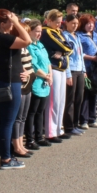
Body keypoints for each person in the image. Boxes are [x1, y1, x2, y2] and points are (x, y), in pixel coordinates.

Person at [0, 9, 31, 169]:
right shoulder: (4, 37)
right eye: (10, 22)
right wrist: (17, 23)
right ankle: (6, 158)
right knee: (7, 122)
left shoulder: (0, 38)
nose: (13, 24)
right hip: (9, 83)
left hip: (4, 82)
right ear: (3, 24)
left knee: (3, 122)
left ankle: (6, 155)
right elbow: (27, 41)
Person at [40, 10, 73, 141]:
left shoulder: (58, 32)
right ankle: (51, 131)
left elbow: (70, 48)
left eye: (60, 22)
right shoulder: (47, 31)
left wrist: (63, 51)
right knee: (53, 102)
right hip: (53, 68)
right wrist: (63, 50)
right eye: (57, 22)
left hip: (62, 68)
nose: (59, 25)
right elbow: (66, 47)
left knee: (61, 101)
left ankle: (59, 129)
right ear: (50, 21)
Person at [25, 19, 52, 149]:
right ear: (30, 31)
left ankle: (39, 136)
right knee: (32, 111)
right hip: (36, 81)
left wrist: (50, 75)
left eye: (40, 31)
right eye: (36, 31)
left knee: (40, 111)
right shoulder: (29, 46)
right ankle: (30, 139)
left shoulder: (41, 45)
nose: (39, 34)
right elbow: (34, 65)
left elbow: (47, 62)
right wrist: (45, 75)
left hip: (45, 82)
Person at [13, 22, 35, 157]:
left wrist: (29, 73)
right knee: (18, 118)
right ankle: (17, 146)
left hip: (28, 85)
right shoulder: (17, 48)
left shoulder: (26, 49)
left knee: (23, 117)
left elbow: (30, 67)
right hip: (20, 86)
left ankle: (21, 144)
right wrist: (27, 73)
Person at [62, 14, 86, 136]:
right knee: (70, 99)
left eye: (77, 24)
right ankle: (69, 126)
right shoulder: (65, 36)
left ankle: (75, 124)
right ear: (66, 23)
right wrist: (67, 74)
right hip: (71, 70)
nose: (75, 26)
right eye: (72, 23)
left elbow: (81, 55)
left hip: (79, 70)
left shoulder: (77, 36)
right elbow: (65, 56)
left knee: (79, 98)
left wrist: (84, 70)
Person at [76, 14, 97, 129]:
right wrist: (92, 58)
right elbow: (80, 53)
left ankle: (92, 118)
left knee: (94, 92)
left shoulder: (95, 35)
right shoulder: (79, 36)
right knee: (85, 94)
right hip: (86, 67)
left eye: (92, 23)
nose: (90, 26)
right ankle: (84, 119)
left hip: (96, 67)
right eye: (88, 24)